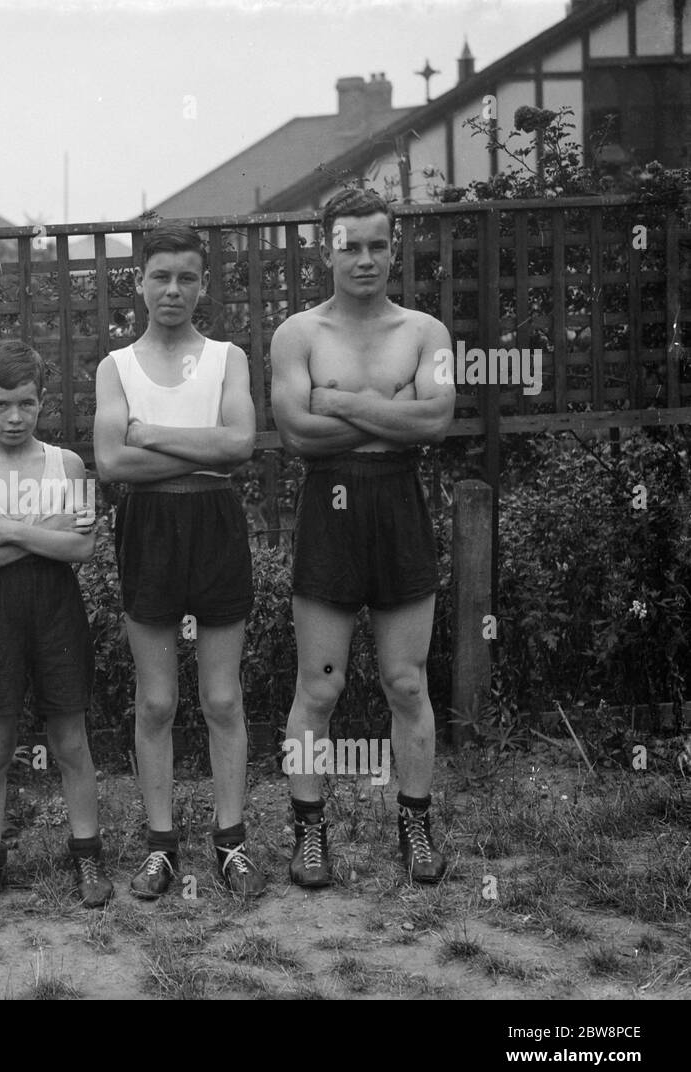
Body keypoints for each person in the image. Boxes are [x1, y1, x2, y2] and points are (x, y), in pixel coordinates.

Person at [270, 188, 456, 887]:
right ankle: (309, 833)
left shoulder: (424, 332)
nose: (366, 258)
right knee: (320, 685)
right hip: (332, 508)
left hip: (400, 504)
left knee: (406, 681)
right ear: (328, 249)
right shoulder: (300, 334)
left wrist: (341, 400)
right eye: (352, 245)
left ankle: (415, 824)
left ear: (395, 248)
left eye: (379, 244)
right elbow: (297, 433)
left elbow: (436, 421)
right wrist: (392, 409)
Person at [93, 224, 263, 899]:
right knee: (157, 700)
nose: (172, 289)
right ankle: (161, 847)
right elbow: (113, 462)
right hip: (149, 526)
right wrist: (207, 444)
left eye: (186, 277)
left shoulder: (228, 357)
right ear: (139, 282)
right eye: (160, 275)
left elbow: (241, 445)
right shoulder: (117, 366)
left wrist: (156, 433)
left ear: (202, 284)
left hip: (216, 523)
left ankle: (231, 842)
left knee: (222, 696)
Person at [0, 339, 112, 914]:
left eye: (26, 404)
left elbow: (85, 545)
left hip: (56, 610)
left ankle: (87, 855)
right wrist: (46, 531)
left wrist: (9, 529)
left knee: (70, 737)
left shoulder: (67, 464)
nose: (14, 417)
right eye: (0, 405)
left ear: (43, 402)